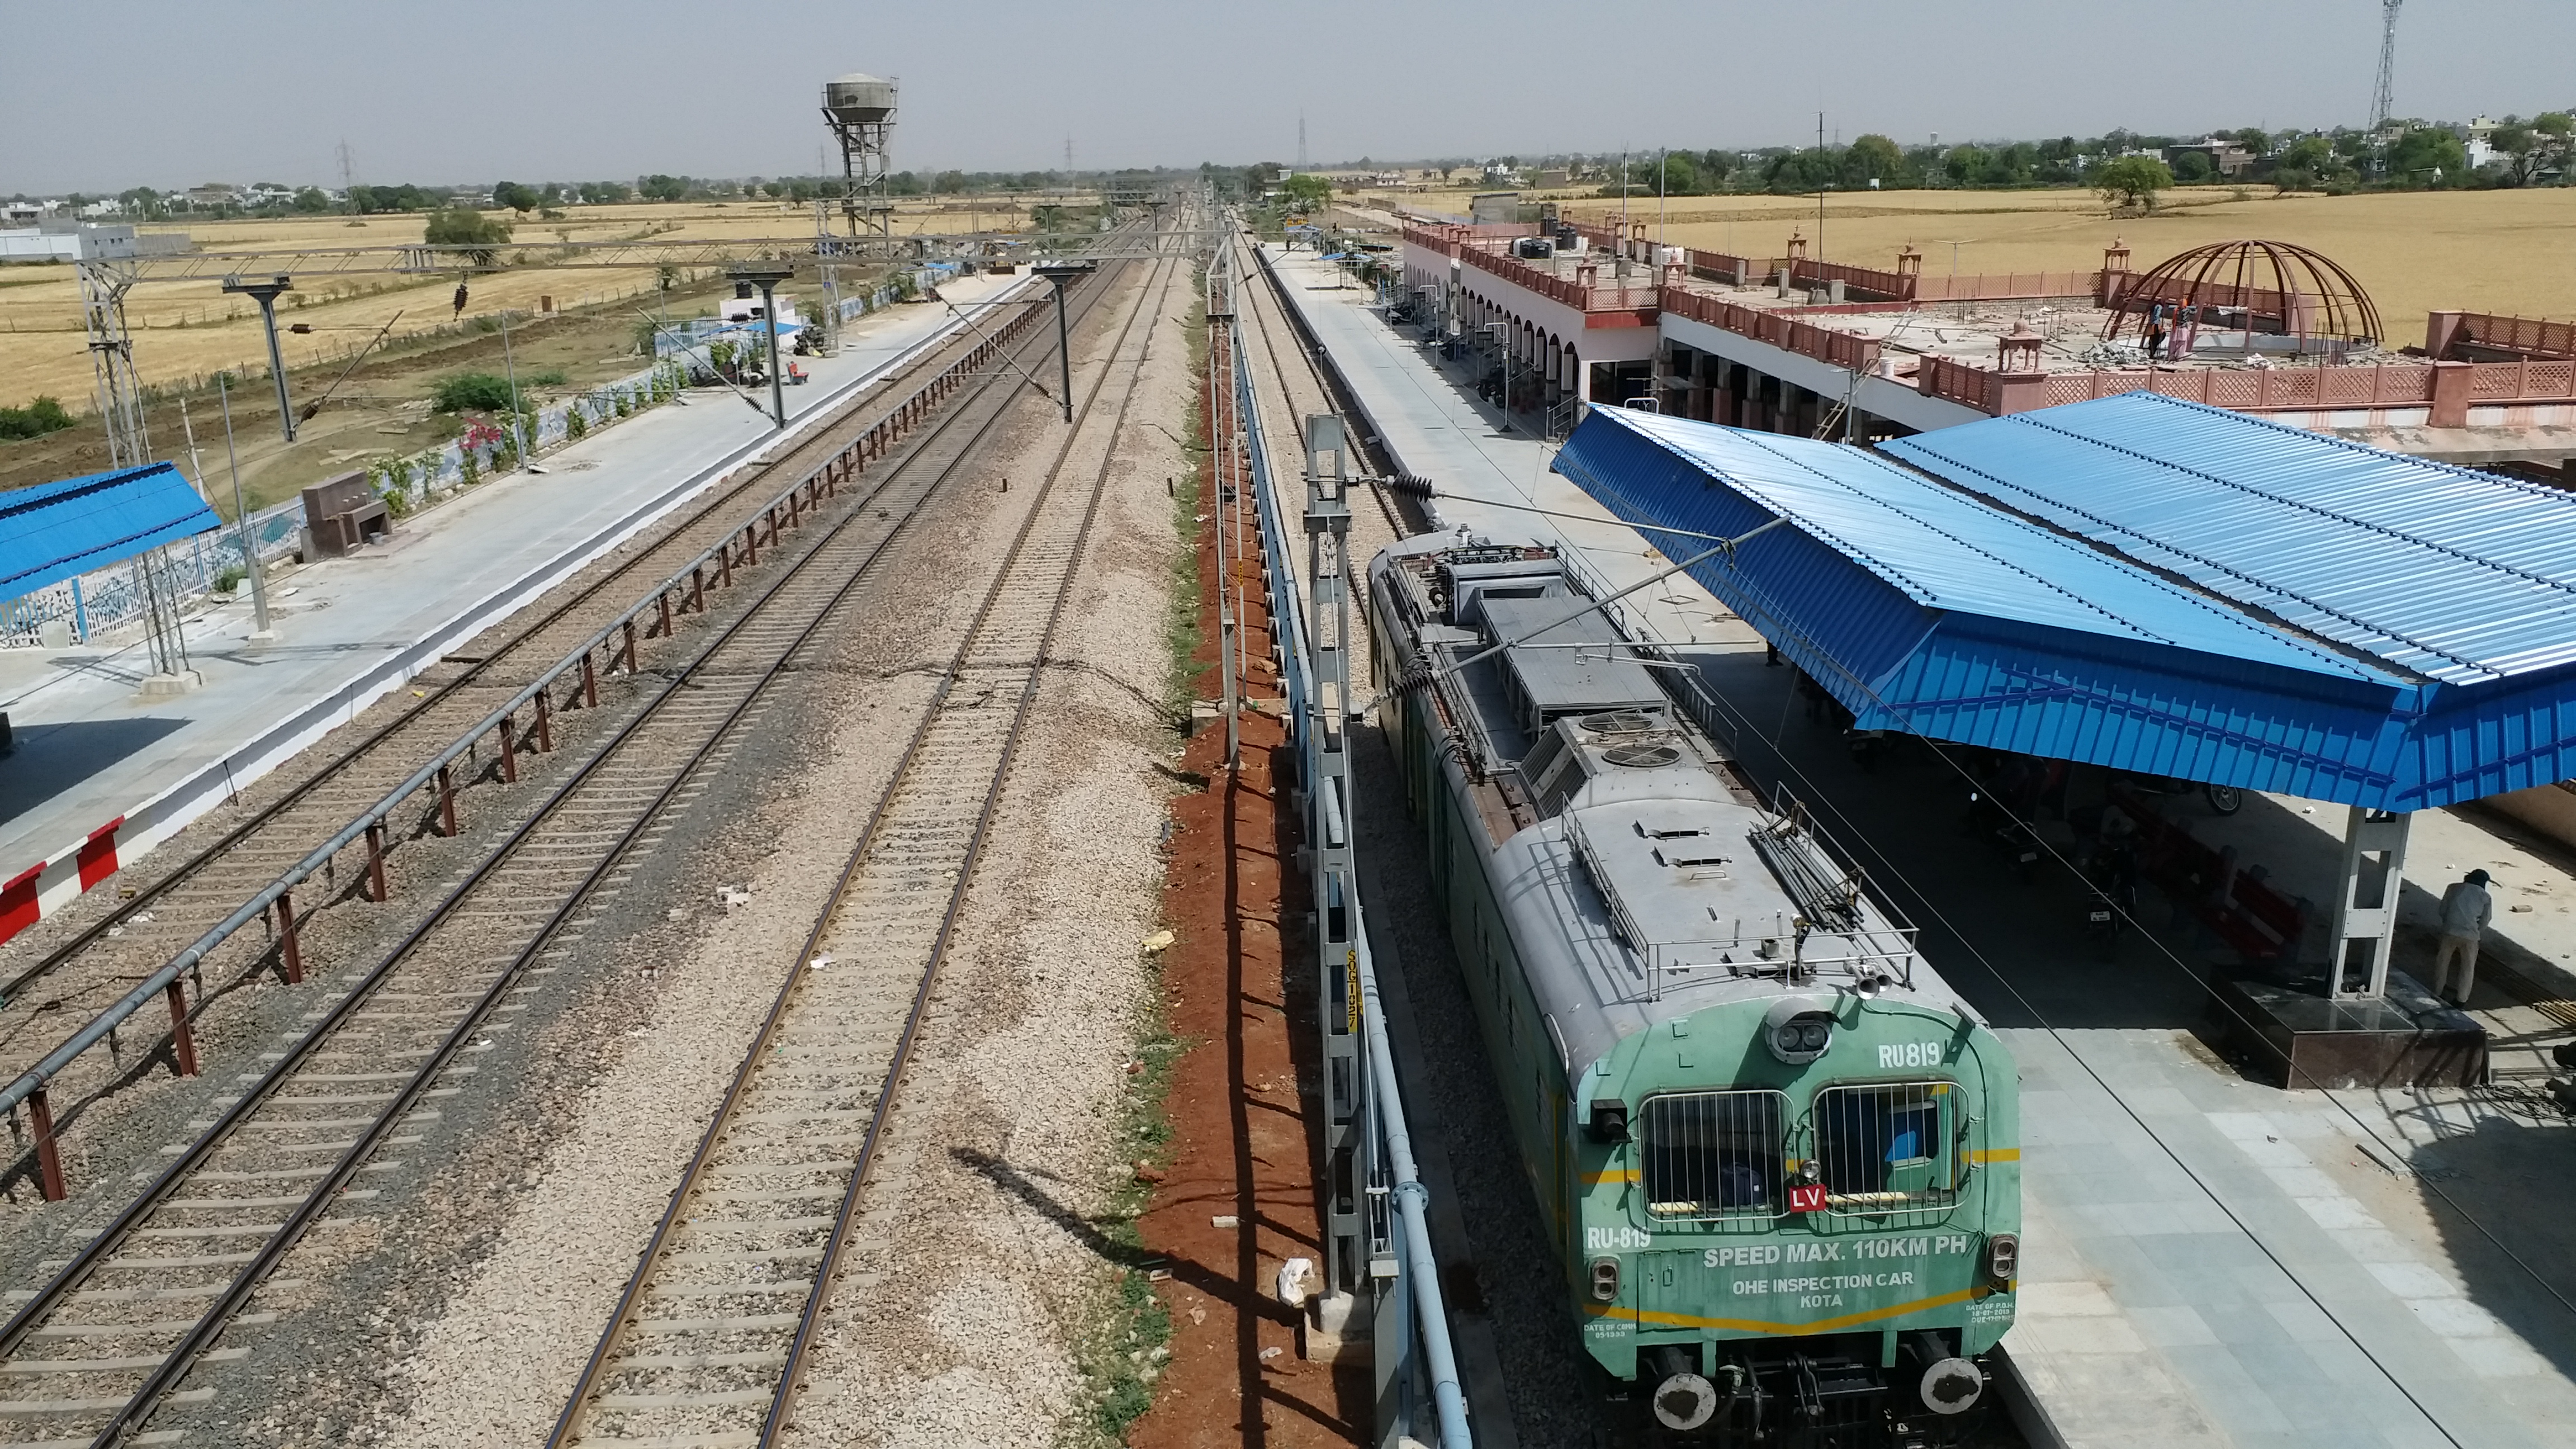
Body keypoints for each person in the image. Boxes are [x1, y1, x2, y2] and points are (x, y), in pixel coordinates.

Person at [2432, 869, 2494, 1005]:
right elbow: (2486, 920)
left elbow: (2443, 909)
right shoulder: (2485, 896)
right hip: (2470, 935)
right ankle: (2461, 999)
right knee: (2468, 967)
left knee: (2442, 962)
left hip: (2450, 930)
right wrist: (2476, 931)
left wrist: (2449, 923)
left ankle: (2437, 991)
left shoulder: (2453, 888)